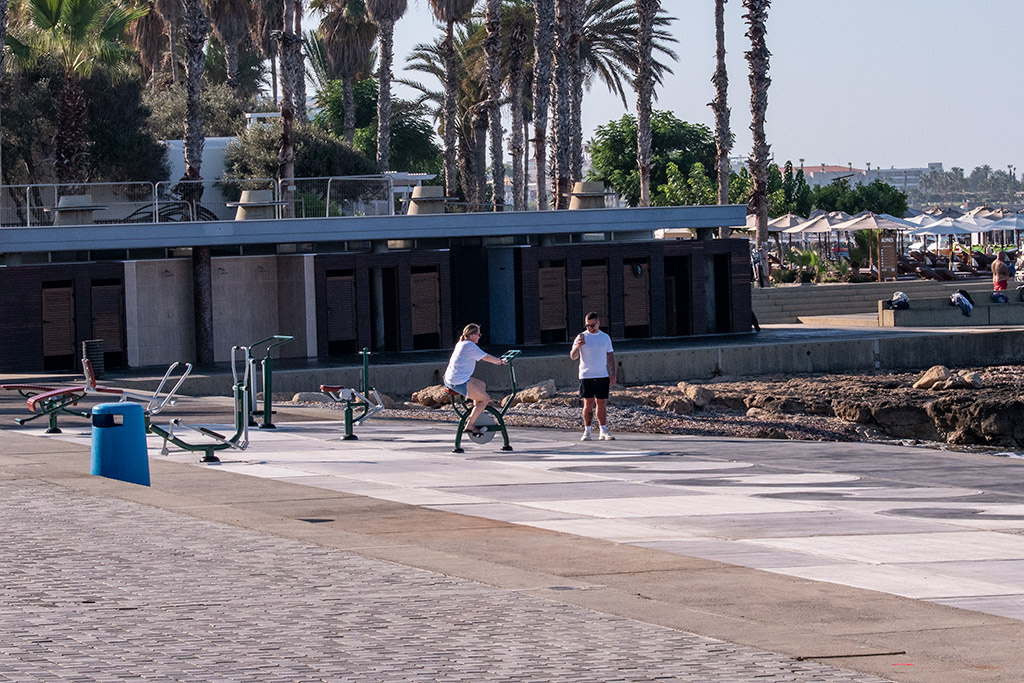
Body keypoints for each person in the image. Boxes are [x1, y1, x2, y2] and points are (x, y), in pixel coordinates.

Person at [443, 323, 507, 436]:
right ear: (472, 335)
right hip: (458, 381)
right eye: (478, 334)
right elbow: (486, 357)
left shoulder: (461, 343)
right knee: (486, 399)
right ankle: (470, 424)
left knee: (481, 385)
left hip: (453, 378)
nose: (479, 337)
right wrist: (499, 361)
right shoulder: (469, 345)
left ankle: (475, 414)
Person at [570, 312, 616, 441]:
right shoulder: (582, 337)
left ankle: (603, 430)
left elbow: (610, 356)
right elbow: (573, 356)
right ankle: (587, 431)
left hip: (602, 374)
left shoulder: (605, 337)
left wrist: (613, 374)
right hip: (586, 375)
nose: (589, 328)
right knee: (587, 403)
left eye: (592, 325)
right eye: (587, 325)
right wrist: (578, 346)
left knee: (601, 403)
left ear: (598, 323)